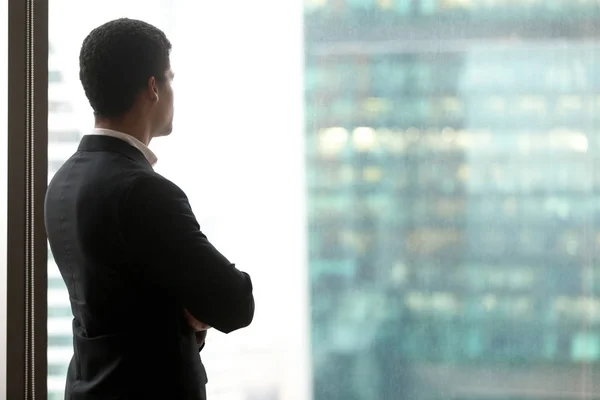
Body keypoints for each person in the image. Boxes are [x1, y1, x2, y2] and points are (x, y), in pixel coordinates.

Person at [44, 18, 255, 400]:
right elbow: (235, 302)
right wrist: (190, 308)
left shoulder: (62, 184)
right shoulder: (144, 191)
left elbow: (121, 306)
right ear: (153, 88)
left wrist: (176, 308)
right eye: (170, 78)